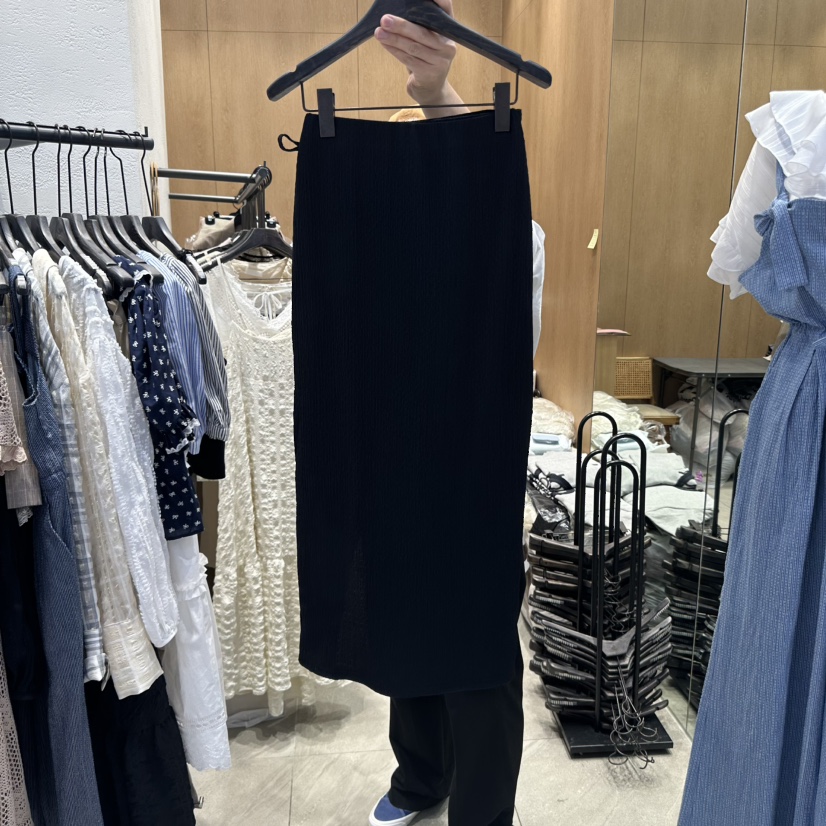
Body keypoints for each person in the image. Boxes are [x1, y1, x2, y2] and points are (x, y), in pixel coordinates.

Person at [367, 4, 536, 825]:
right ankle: (420, 777)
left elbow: (491, 208)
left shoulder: (508, 241)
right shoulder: (375, 248)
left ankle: (482, 812)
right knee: (407, 621)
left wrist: (438, 94)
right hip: (395, 454)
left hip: (475, 461)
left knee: (476, 642)